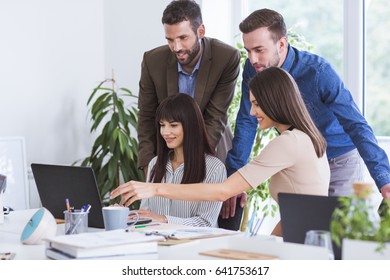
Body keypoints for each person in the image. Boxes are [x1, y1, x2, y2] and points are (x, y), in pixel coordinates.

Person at [112, 67, 331, 237]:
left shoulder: (289, 143)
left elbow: (222, 192)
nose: (253, 112)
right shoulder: (304, 137)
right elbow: (296, 214)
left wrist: (155, 189)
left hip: (307, 242)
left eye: (256, 104)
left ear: (275, 101)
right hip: (309, 236)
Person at [222, 8, 390, 229]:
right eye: (248, 50)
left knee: (335, 238)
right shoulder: (254, 69)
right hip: (302, 163)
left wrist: (384, 180)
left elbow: (356, 124)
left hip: (338, 158)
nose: (252, 59)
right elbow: (246, 120)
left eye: (259, 50)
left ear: (281, 44)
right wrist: (235, 180)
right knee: (302, 235)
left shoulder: (318, 72)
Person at [137, 0, 240, 175]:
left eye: (183, 38)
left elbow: (215, 118)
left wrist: (190, 164)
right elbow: (146, 116)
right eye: (170, 40)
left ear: (201, 31)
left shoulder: (226, 58)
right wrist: (149, 163)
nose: (176, 48)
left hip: (210, 147)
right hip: (166, 151)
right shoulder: (152, 60)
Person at [137, 94, 225, 227]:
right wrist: (125, 214)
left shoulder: (214, 168)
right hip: (156, 242)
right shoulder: (154, 163)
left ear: (190, 126)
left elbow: (206, 223)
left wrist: (164, 219)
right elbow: (146, 214)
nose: (165, 132)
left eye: (173, 125)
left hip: (195, 245)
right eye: (162, 125)